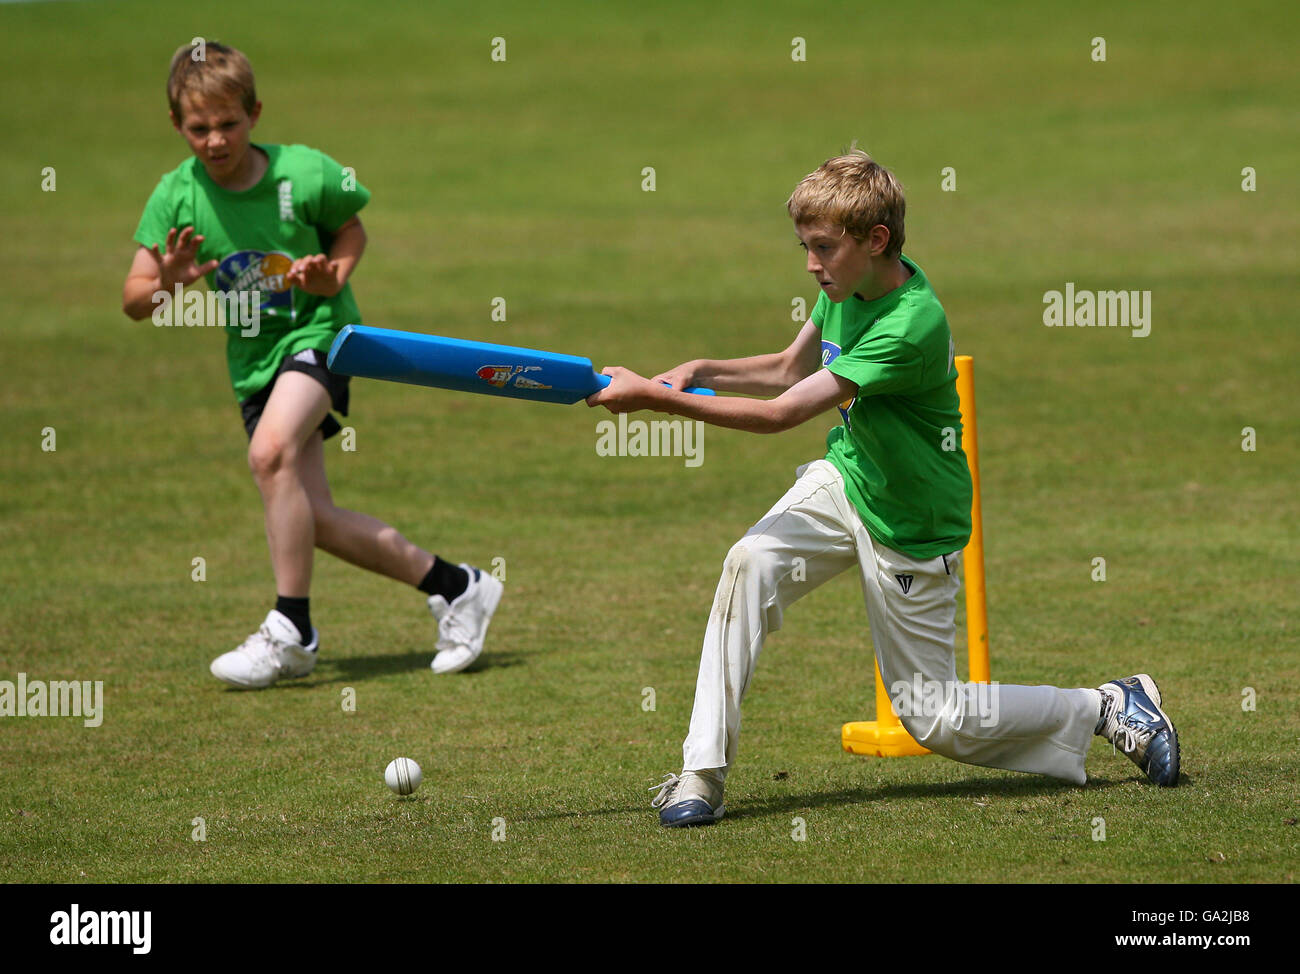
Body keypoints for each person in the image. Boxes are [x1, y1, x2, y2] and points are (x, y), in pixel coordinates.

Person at [586, 150, 1179, 827]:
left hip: (910, 520)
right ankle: (701, 774)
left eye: (823, 248)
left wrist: (655, 401)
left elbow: (782, 415)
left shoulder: (909, 323)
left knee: (936, 720)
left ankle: (1107, 705)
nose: (811, 263)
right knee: (748, 562)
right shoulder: (848, 286)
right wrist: (700, 368)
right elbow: (787, 368)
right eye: (805, 246)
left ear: (876, 241)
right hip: (849, 479)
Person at [122, 41, 501, 688]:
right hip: (254, 364)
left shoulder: (306, 174)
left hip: (321, 336)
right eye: (198, 128)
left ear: (255, 113)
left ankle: (292, 629)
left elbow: (351, 230)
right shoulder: (174, 198)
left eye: (229, 124)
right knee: (310, 517)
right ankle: (458, 586)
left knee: (270, 455)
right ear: (176, 125)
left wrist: (331, 278)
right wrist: (172, 280)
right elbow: (134, 300)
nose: (215, 141)